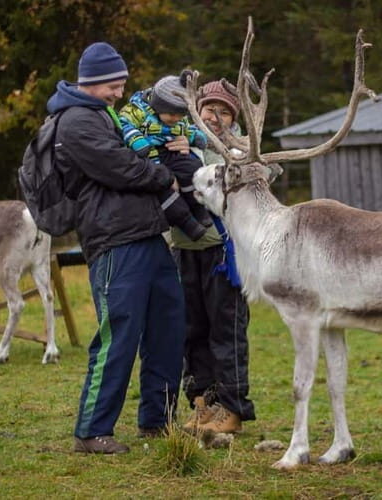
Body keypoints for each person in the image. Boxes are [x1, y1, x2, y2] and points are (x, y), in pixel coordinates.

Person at [46, 41, 186, 454]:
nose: (120, 93)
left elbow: (131, 159)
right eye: (114, 85)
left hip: (146, 233)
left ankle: (158, 421)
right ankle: (92, 431)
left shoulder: (105, 115)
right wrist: (162, 175)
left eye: (123, 85)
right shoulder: (74, 122)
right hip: (113, 242)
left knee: (168, 326)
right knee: (119, 334)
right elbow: (119, 166)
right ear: (93, 82)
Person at [173, 80, 255, 435]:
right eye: (210, 110)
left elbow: (222, 179)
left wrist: (193, 149)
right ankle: (203, 403)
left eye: (225, 112)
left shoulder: (241, 150)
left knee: (226, 330)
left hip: (226, 254)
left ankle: (232, 408)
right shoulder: (176, 138)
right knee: (193, 330)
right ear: (197, 110)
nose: (216, 117)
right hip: (186, 248)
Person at [119, 72, 212, 241]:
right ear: (158, 105)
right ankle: (187, 223)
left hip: (171, 150)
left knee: (193, 166)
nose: (175, 119)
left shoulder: (177, 120)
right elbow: (124, 124)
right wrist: (138, 141)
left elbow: (186, 129)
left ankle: (198, 208)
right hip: (150, 155)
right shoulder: (137, 110)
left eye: (180, 115)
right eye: (171, 114)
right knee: (163, 190)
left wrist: (196, 137)